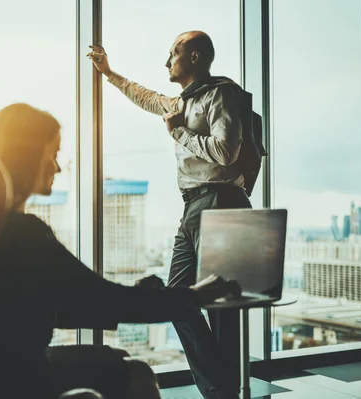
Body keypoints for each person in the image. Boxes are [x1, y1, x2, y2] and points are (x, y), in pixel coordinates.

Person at [0, 103, 241, 399]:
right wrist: (193, 296)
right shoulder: (23, 234)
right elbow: (106, 300)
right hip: (17, 380)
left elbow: (60, 306)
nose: (58, 167)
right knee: (136, 374)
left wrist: (134, 295)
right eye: (52, 155)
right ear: (27, 158)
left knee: (117, 359)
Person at [87, 31, 253, 399]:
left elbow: (226, 152)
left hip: (221, 199)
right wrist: (109, 73)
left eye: (173, 54)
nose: (167, 62)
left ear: (194, 57)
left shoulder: (219, 94)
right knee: (179, 295)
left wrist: (178, 132)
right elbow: (145, 97)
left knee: (219, 305)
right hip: (194, 204)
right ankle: (221, 386)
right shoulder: (180, 101)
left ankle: (220, 391)